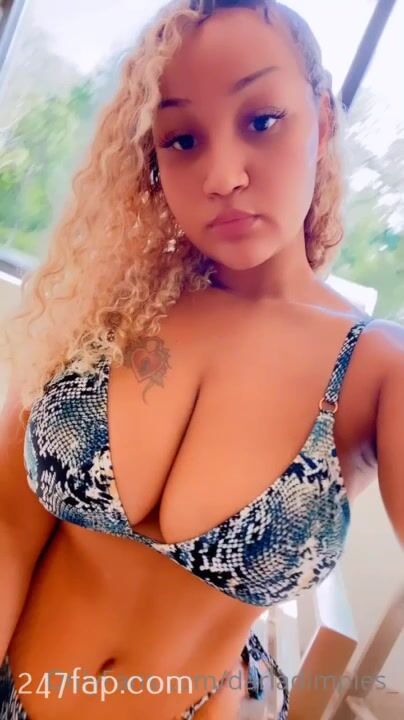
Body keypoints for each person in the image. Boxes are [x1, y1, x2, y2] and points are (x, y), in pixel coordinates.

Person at [0, 0, 403, 718]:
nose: (222, 175)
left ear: (322, 122)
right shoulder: (112, 304)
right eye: (182, 138)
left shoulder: (377, 370)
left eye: (262, 120)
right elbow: (6, 526)